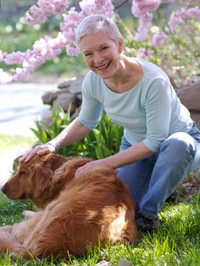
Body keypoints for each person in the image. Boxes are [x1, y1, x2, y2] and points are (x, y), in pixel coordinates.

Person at [20, 14, 200, 230]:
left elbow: (155, 142)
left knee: (179, 143)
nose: (98, 59)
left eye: (104, 48)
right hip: (136, 148)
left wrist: (102, 163)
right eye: (88, 53)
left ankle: (148, 216)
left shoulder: (153, 82)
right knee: (118, 205)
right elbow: (85, 122)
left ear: (120, 45)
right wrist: (53, 144)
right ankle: (153, 193)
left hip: (178, 147)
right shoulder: (94, 81)